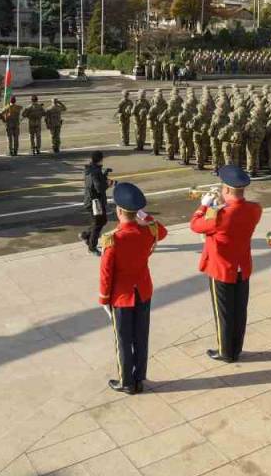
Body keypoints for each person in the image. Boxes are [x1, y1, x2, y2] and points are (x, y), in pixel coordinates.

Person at [190, 165, 263, 363]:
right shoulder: (255, 209)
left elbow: (195, 225)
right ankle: (236, 348)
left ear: (228, 190)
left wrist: (205, 206)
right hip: (242, 265)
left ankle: (225, 351)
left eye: (223, 188)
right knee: (239, 310)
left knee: (224, 312)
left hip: (221, 268)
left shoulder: (220, 216)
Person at [99, 182, 167, 395]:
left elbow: (106, 273)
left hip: (121, 297)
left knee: (123, 340)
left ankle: (126, 381)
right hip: (143, 291)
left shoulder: (113, 239)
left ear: (119, 211)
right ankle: (139, 378)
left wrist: (103, 299)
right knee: (141, 337)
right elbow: (162, 231)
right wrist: (146, 217)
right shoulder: (148, 231)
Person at [80, 151, 112, 255]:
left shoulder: (90, 169)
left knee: (101, 221)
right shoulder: (94, 172)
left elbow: (96, 182)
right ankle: (92, 247)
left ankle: (86, 235)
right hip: (95, 203)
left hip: (92, 201)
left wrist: (104, 174)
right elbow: (99, 187)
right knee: (98, 223)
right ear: (100, 159)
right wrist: (108, 184)